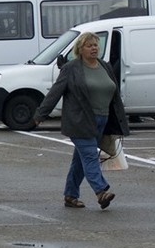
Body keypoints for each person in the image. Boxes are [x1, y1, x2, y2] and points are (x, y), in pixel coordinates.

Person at [33, 32, 128, 209]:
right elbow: (56, 91)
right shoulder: (71, 68)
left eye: (95, 45)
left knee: (80, 159)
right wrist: (40, 114)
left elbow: (113, 94)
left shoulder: (104, 66)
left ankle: (70, 195)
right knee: (90, 155)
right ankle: (101, 191)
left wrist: (120, 119)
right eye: (89, 45)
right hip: (79, 120)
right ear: (80, 49)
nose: (94, 48)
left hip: (102, 120)